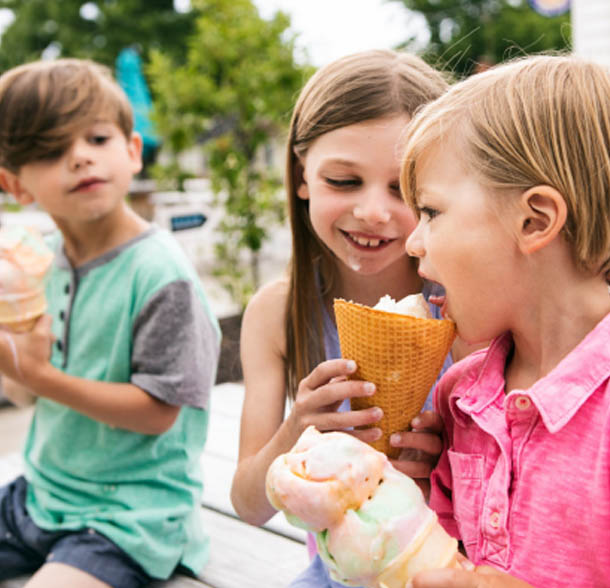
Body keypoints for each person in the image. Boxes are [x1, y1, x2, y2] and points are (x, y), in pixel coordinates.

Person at [230, 49, 460, 587]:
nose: (374, 211)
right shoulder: (277, 312)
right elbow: (246, 504)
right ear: (301, 176)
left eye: (403, 187)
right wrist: (298, 430)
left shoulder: (465, 305)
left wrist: (441, 473)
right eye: (344, 181)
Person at [0, 59, 221, 588]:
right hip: (43, 493)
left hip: (130, 515)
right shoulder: (35, 262)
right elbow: (26, 394)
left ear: (132, 150)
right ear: (15, 184)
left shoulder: (160, 274)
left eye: (96, 138)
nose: (79, 157)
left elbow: (157, 414)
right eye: (52, 150)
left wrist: (38, 376)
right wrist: (16, 362)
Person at [400, 54, 610, 588]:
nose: (412, 242)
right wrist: (401, 503)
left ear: (533, 220)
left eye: (431, 212)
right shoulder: (462, 396)